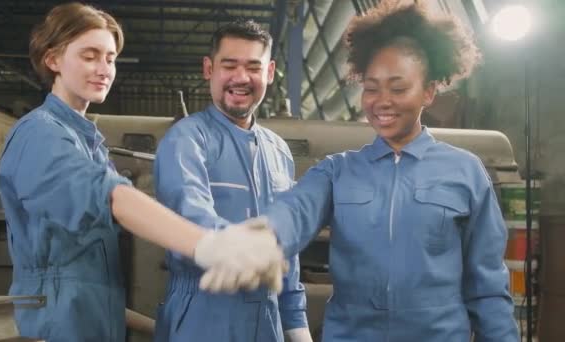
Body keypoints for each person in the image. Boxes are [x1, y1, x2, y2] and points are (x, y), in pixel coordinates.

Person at [212, 2, 519, 341]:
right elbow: (294, 211)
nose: (381, 100)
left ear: (428, 92)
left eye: (398, 88)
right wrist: (263, 238)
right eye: (371, 88)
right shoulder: (337, 171)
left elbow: (488, 285)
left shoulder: (465, 173)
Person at [0, 3, 286, 341]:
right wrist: (210, 244)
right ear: (53, 60)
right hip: (55, 328)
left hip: (91, 323)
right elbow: (109, 196)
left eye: (110, 58)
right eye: (89, 56)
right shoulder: (40, 133)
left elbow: (87, 283)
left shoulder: (88, 143)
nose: (103, 68)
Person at [153, 20, 312, 342]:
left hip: (268, 318)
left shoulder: (279, 151)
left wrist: (296, 326)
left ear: (269, 72)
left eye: (253, 66)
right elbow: (189, 212)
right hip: (203, 310)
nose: (241, 78)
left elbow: (287, 246)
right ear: (209, 69)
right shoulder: (186, 139)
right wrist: (244, 248)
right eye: (230, 65)